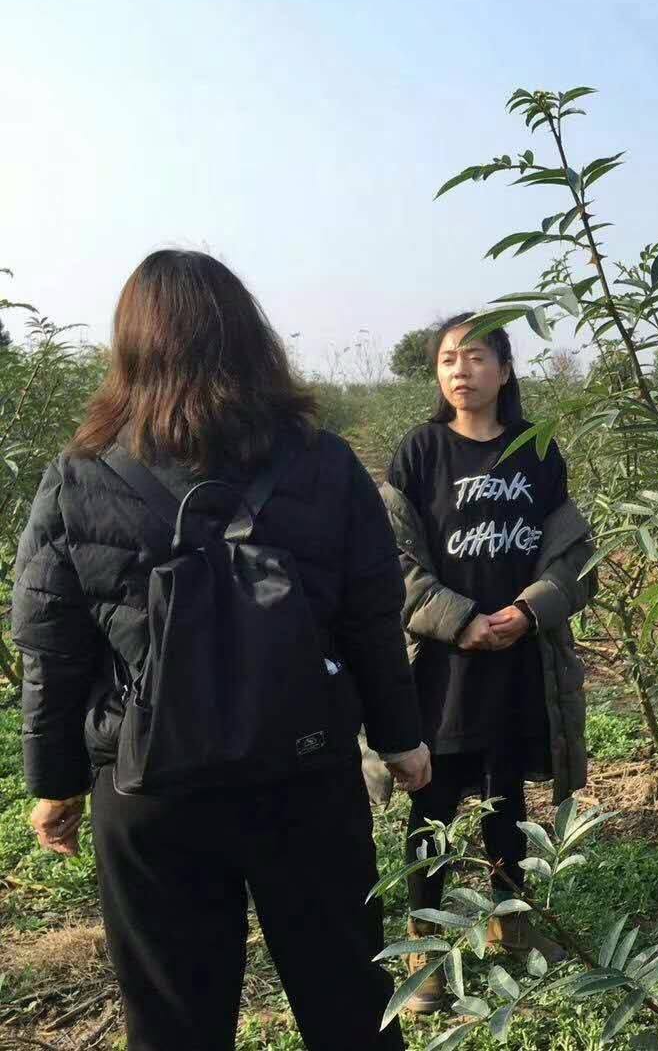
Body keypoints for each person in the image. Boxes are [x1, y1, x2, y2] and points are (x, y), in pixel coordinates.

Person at [16, 250, 430, 1051]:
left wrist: (56, 782)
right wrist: (400, 736)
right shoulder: (325, 463)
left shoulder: (79, 475)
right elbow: (375, 615)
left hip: (150, 785)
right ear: (251, 338)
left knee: (174, 1022)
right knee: (350, 1001)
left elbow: (51, 647)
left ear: (130, 345)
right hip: (303, 774)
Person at [382, 312, 595, 1013]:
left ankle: (513, 930)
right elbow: (393, 559)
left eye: (475, 357)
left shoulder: (537, 451)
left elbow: (573, 553)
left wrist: (530, 609)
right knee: (431, 802)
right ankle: (425, 955)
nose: (459, 371)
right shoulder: (420, 452)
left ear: (505, 370)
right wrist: (460, 619)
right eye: (447, 359)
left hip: (517, 658)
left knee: (508, 802)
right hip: (441, 665)